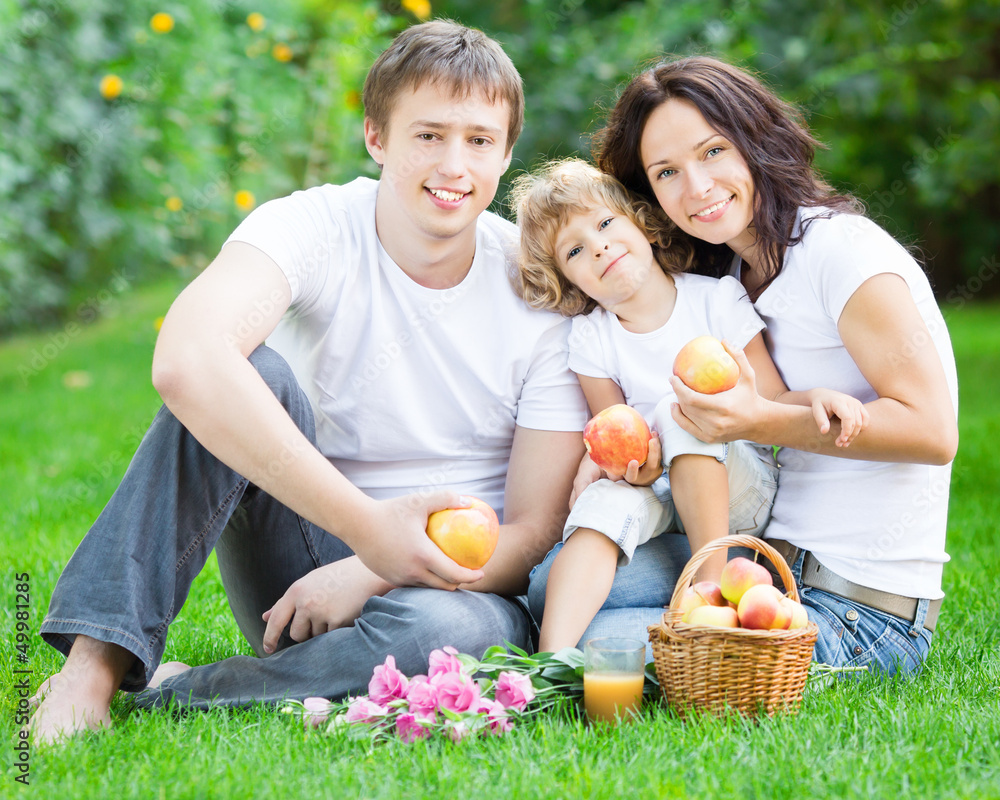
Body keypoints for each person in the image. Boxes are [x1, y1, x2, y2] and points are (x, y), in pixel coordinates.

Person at [29, 20, 589, 744]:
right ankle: (94, 666)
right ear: (377, 138)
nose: (455, 164)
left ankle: (180, 694)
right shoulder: (315, 225)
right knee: (246, 369)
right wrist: (365, 531)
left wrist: (375, 569)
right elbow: (186, 357)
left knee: (455, 640)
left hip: (453, 588)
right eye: (428, 135)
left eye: (479, 140)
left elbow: (533, 531)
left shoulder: (537, 285)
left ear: (506, 153)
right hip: (302, 559)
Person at [529, 55, 958, 675]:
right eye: (667, 171)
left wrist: (753, 419)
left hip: (856, 612)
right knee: (550, 591)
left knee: (603, 649)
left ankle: (575, 662)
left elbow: (933, 433)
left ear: (756, 139)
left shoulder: (843, 253)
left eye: (712, 152)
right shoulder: (730, 275)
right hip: (759, 571)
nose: (697, 187)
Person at [511, 158, 868, 652]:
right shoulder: (591, 339)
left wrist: (818, 399)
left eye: (606, 224)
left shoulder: (715, 301)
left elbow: (772, 397)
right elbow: (615, 433)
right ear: (568, 278)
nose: (600, 247)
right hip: (659, 496)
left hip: (739, 490)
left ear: (644, 224)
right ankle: (549, 663)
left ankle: (709, 598)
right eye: (575, 250)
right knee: (602, 500)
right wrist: (625, 470)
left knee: (678, 411)